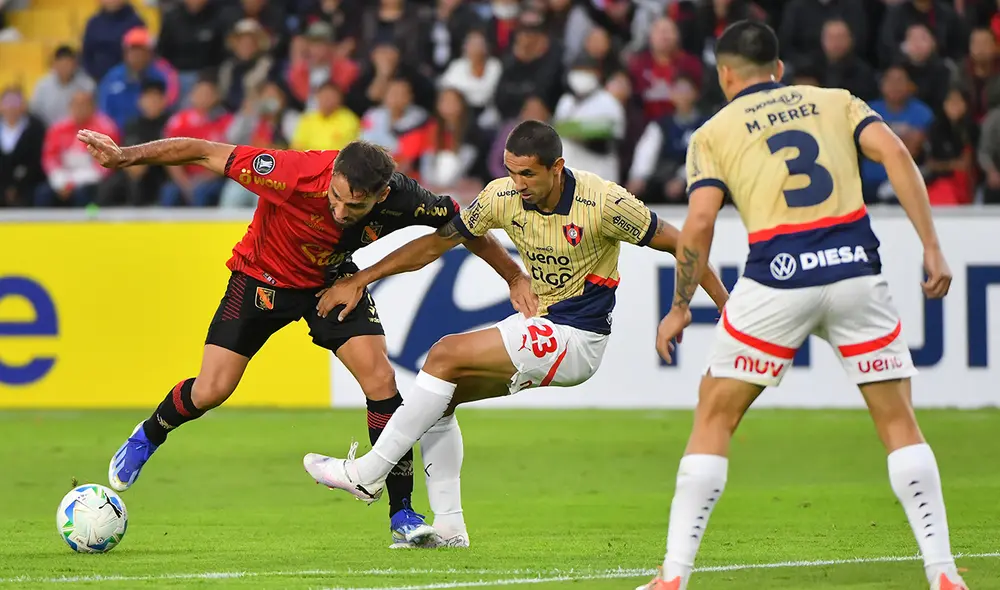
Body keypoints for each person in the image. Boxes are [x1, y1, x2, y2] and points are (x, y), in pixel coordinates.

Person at [75, 131, 533, 548]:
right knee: (213, 389)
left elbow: (464, 226)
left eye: (355, 208)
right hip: (259, 280)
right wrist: (124, 156)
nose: (340, 211)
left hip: (329, 285)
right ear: (332, 175)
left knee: (381, 381)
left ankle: (403, 515)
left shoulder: (406, 198)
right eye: (335, 198)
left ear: (381, 194)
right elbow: (203, 150)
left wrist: (513, 275)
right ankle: (149, 434)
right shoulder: (292, 174)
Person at [640, 21, 964, 590]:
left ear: (724, 74)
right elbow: (896, 155)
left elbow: (699, 222)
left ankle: (674, 577)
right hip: (855, 270)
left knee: (715, 411)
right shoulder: (836, 101)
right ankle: (944, 574)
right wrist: (932, 247)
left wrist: (681, 304)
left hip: (778, 277)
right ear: (779, 68)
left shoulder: (713, 132)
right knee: (897, 421)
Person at [302, 120, 730, 547]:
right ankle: (450, 528)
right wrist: (363, 279)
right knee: (440, 396)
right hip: (542, 323)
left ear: (557, 167)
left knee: (443, 355)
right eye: (511, 171)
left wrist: (711, 308)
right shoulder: (501, 197)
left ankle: (367, 473)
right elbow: (436, 244)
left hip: (578, 337)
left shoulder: (605, 203)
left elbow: (684, 242)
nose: (518, 183)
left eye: (528, 174)